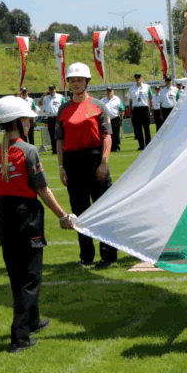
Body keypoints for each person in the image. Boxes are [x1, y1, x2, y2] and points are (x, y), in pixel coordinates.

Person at [0, 94, 75, 353]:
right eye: (27, 118)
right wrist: (63, 215)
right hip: (26, 218)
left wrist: (3, 222)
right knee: (30, 278)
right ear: (19, 121)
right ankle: (20, 338)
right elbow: (43, 190)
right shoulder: (28, 151)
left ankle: (34, 321)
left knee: (19, 276)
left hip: (6, 217)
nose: (30, 122)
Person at [55, 63, 117, 268]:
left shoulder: (99, 106)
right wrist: (61, 167)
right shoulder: (63, 109)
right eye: (72, 80)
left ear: (87, 82)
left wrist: (104, 162)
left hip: (95, 160)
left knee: (103, 209)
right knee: (80, 211)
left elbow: (107, 136)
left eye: (80, 80)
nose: (76, 83)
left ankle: (108, 255)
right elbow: (60, 141)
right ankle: (86, 256)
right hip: (73, 163)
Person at [127, 72, 153, 150]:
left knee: (146, 128)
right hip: (136, 109)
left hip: (144, 108)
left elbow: (150, 98)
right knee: (138, 129)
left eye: (139, 77)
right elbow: (130, 101)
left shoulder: (147, 87)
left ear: (141, 77)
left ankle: (148, 145)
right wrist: (131, 110)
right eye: (136, 77)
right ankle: (141, 145)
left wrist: (151, 109)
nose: (137, 79)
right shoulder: (132, 89)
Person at [41, 84, 64, 153]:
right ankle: (54, 150)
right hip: (50, 118)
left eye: (53, 89)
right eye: (50, 89)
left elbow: (65, 105)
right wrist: (43, 95)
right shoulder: (46, 98)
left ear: (55, 89)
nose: (51, 90)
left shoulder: (60, 97)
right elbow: (40, 104)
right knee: (51, 134)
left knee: (59, 133)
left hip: (58, 117)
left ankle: (60, 148)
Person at [102, 88, 123, 152]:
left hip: (115, 118)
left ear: (112, 92)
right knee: (108, 134)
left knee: (116, 133)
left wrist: (121, 119)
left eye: (110, 91)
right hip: (106, 120)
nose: (109, 92)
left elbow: (122, 109)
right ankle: (109, 148)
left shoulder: (117, 99)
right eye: (108, 91)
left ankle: (116, 147)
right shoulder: (102, 100)